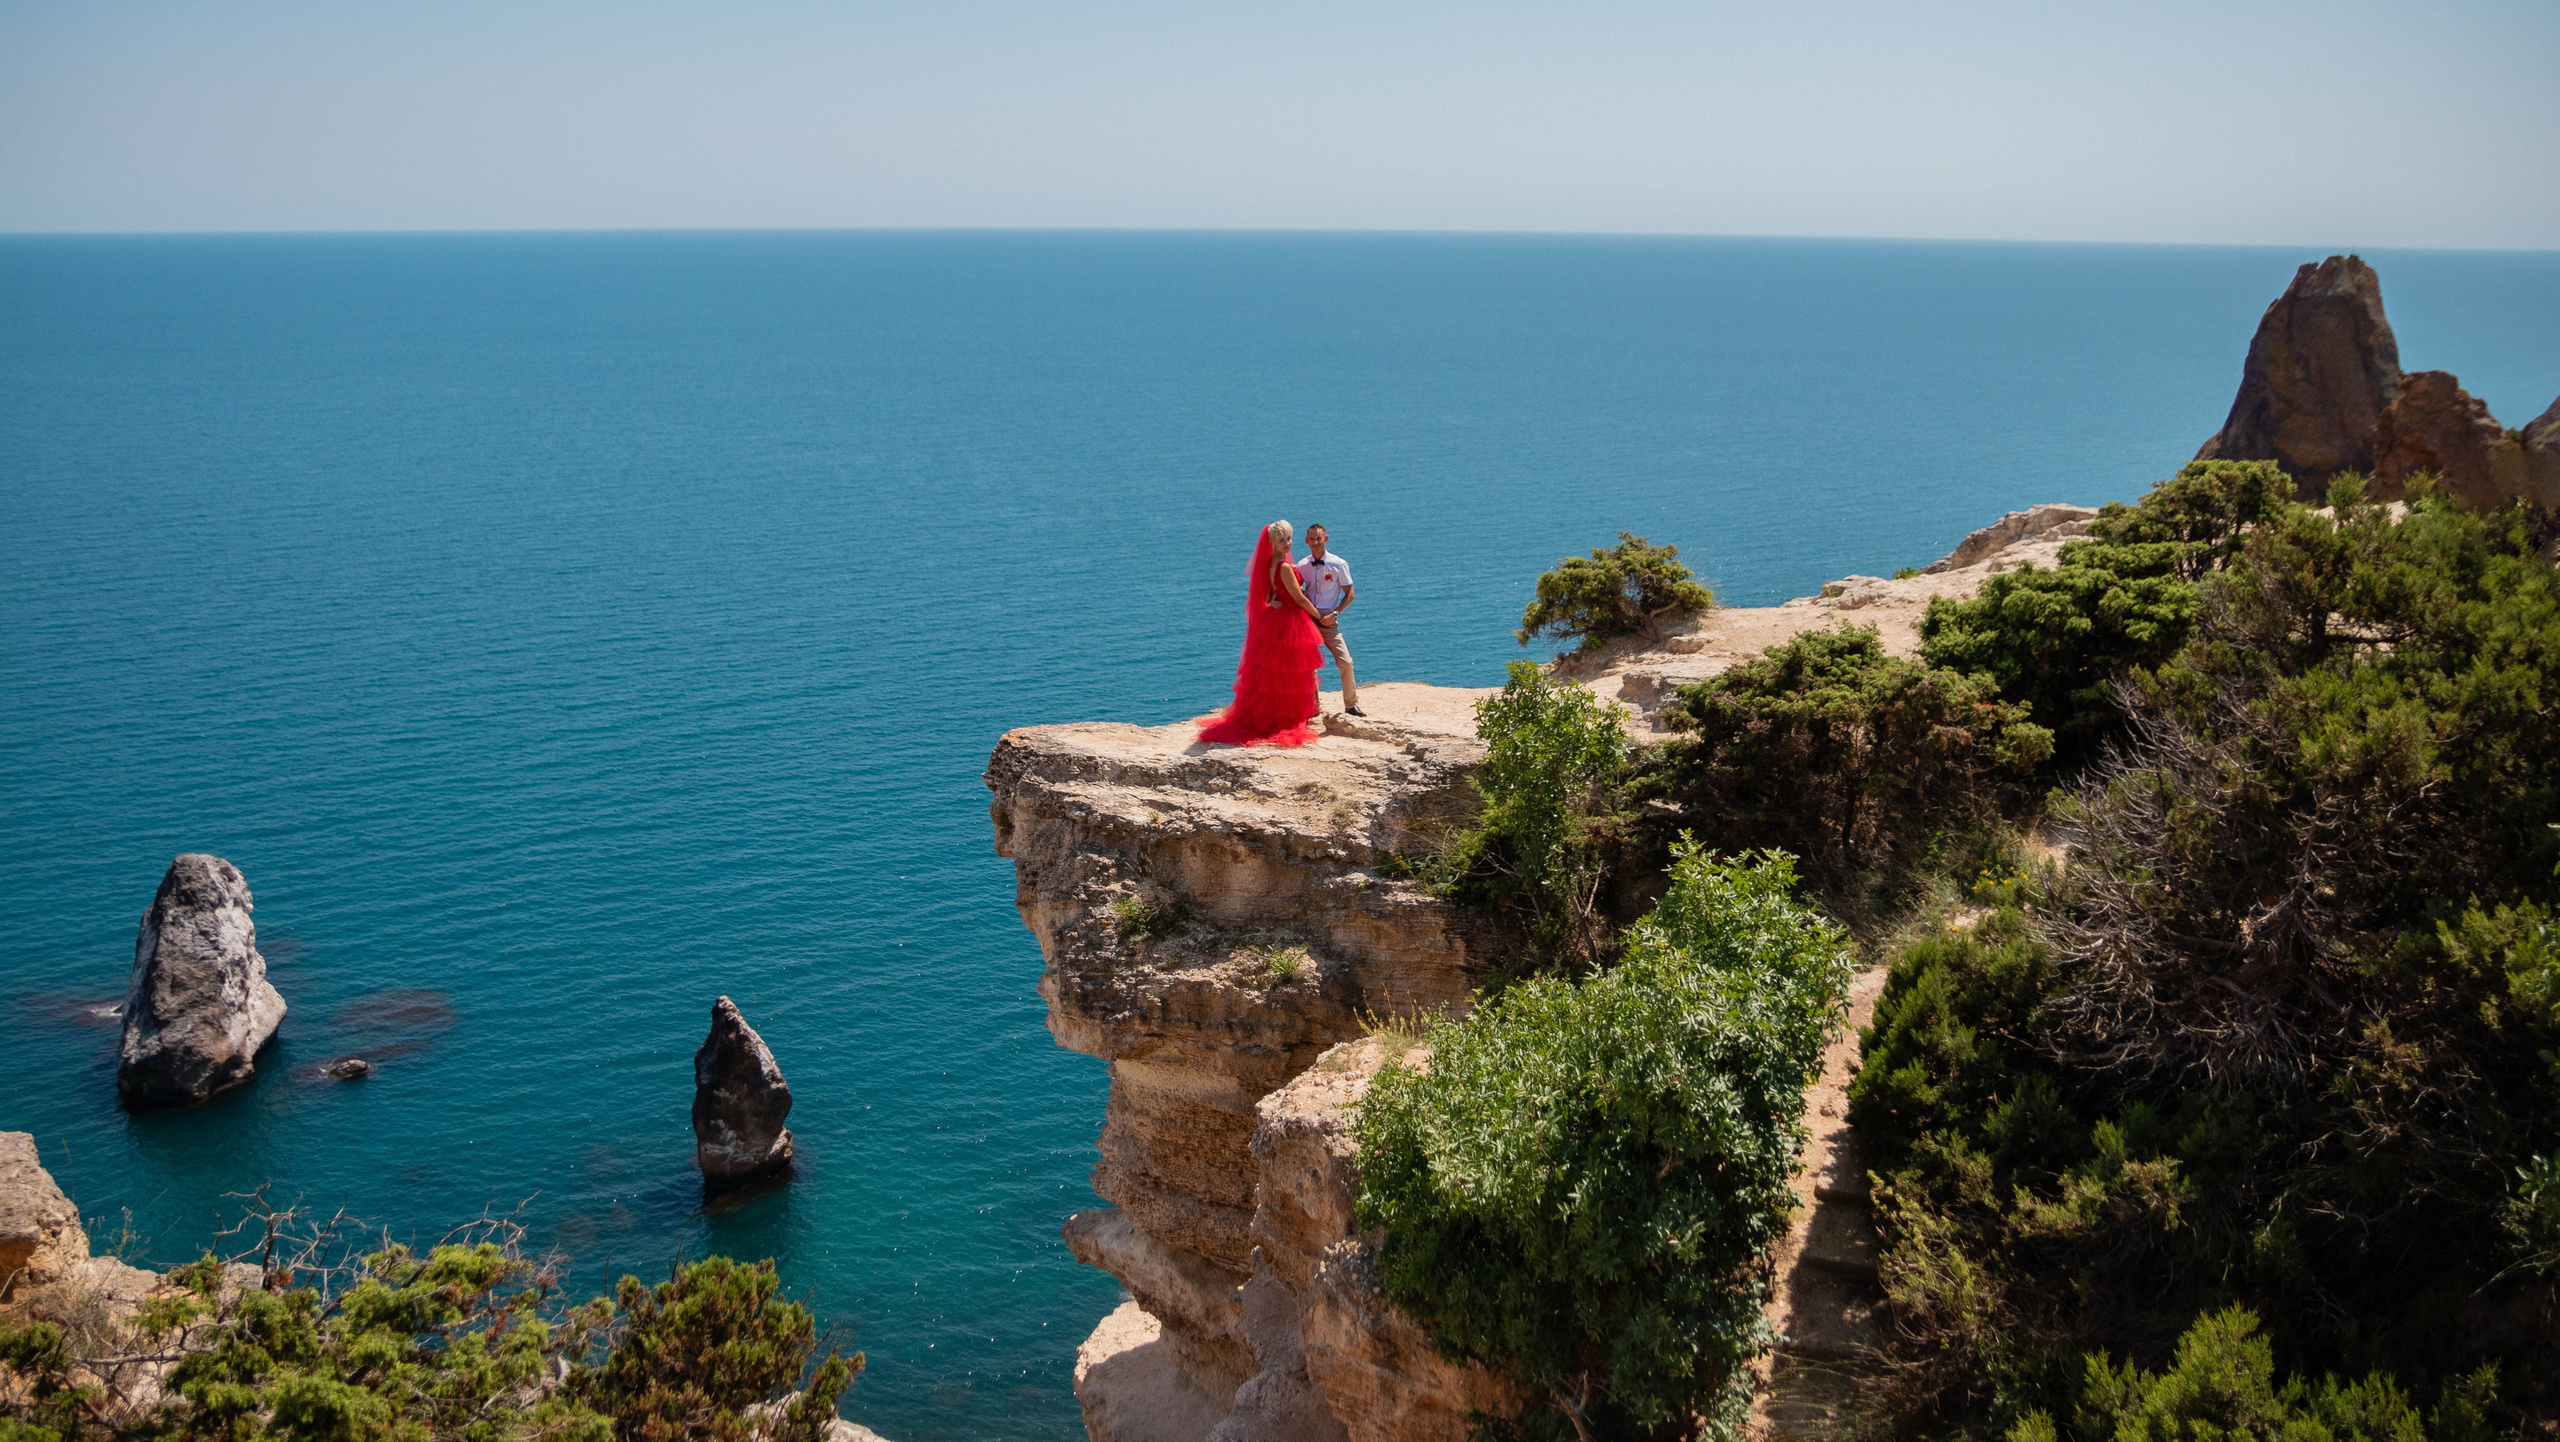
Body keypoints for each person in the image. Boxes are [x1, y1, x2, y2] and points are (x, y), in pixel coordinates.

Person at [1196, 520, 1325, 747]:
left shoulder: (1270, 563)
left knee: (1277, 675)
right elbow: (1298, 598)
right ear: (1272, 542)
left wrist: (1274, 601)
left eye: (1289, 538)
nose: (1287, 543)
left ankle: (1285, 713)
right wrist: (1318, 615)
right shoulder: (1285, 567)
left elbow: (1265, 597)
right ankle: (1294, 715)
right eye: (1282, 540)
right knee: (1293, 671)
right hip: (1291, 621)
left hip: (1275, 620)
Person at [1295, 523, 1363, 717]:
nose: (1316, 542)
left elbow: (1350, 594)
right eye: (1312, 539)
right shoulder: (1301, 566)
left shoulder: (1338, 564)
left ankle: (1351, 705)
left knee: (1346, 661)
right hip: (1307, 620)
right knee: (1309, 665)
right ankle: (1313, 708)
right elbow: (1295, 589)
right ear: (1307, 541)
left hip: (1329, 621)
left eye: (1319, 538)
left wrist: (1335, 613)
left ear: (1326, 538)